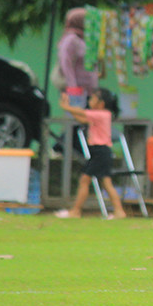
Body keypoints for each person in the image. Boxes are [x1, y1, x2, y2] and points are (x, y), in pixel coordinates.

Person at [54, 88, 125, 219]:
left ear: (101, 103)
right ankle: (119, 211)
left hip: (100, 152)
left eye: (93, 99)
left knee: (84, 180)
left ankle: (76, 211)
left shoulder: (102, 114)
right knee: (106, 183)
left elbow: (82, 112)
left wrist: (66, 106)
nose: (90, 101)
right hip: (101, 153)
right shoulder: (98, 115)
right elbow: (82, 119)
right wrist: (68, 108)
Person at [57, 8, 98, 108]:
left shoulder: (83, 39)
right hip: (77, 92)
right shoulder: (71, 40)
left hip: (88, 92)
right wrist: (73, 87)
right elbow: (66, 64)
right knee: (77, 121)